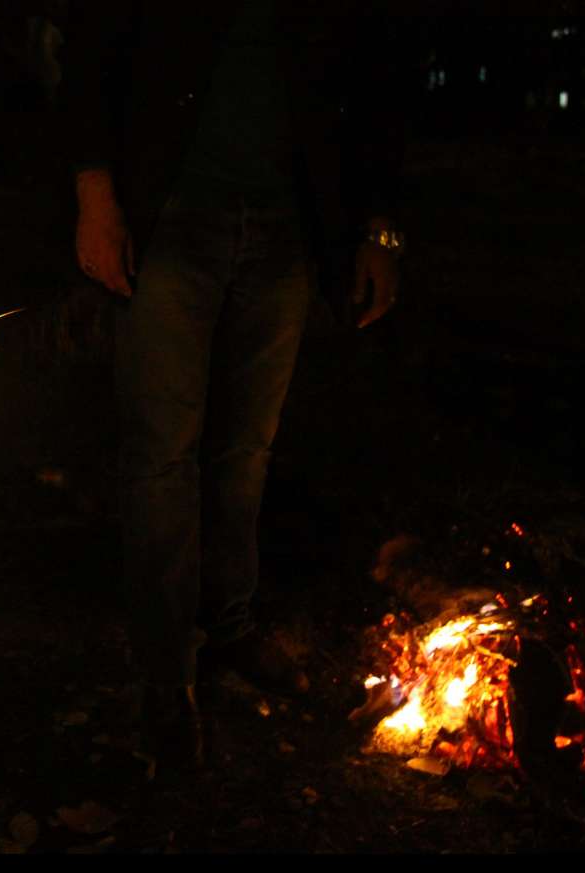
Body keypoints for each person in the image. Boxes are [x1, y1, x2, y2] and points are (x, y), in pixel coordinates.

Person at [58, 0, 410, 772]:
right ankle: (164, 671)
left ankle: (228, 620)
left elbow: (374, 77)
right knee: (160, 452)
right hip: (170, 212)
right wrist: (96, 194)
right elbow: (93, 50)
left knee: (247, 446)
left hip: (288, 224)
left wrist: (378, 228)